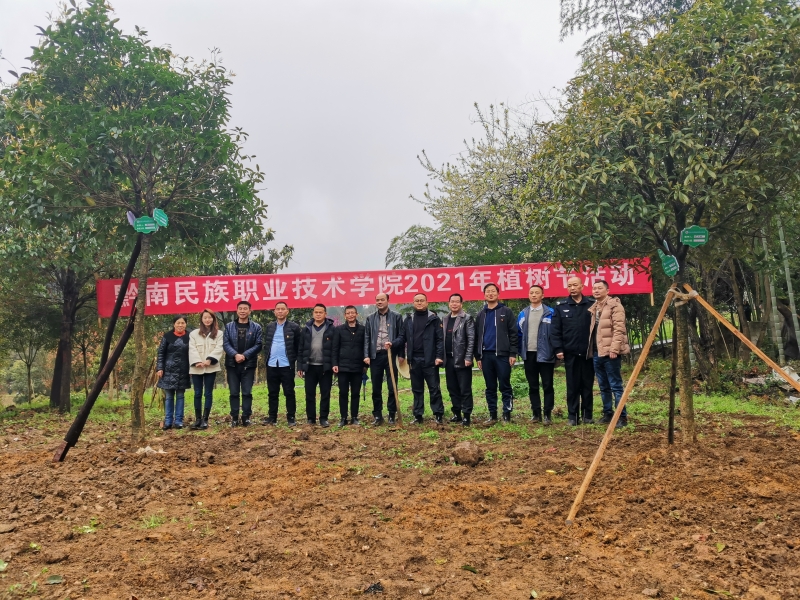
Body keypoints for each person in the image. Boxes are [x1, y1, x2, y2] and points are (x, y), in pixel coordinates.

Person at [387, 293, 444, 424]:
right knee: (417, 389)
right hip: (414, 360)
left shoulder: (434, 319)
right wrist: (392, 343)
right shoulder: (409, 320)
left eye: (422, 300)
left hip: (430, 359)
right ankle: (418, 415)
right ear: (413, 303)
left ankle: (438, 414)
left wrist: (439, 356)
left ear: (427, 303)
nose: (419, 303)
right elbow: (402, 337)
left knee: (434, 388)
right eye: (417, 301)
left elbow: (440, 340)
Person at [550, 275, 596, 426]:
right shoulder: (561, 306)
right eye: (569, 286)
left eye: (575, 285)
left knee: (587, 384)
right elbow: (555, 330)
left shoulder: (592, 304)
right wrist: (558, 349)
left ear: (582, 286)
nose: (572, 288)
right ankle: (572, 416)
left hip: (588, 352)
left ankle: (587, 415)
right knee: (572, 385)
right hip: (570, 352)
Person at [588, 280, 631, 427]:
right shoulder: (594, 307)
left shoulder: (615, 306)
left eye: (599, 288)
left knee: (616, 386)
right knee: (603, 386)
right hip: (597, 352)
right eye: (594, 288)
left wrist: (614, 349)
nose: (596, 290)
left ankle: (621, 417)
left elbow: (619, 329)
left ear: (607, 291)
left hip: (610, 353)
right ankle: (608, 414)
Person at [474, 283, 518, 423]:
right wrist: (478, 356)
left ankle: (507, 414)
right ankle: (492, 414)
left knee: (505, 385)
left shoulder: (506, 311)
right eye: (488, 291)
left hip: (502, 355)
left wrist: (513, 353)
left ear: (498, 294)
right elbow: (477, 337)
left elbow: (513, 333)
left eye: (493, 291)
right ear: (484, 295)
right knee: (490, 387)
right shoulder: (481, 314)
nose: (490, 294)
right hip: (486, 356)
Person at [363, 292, 405, 425]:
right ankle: (377, 415)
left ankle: (392, 414)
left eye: (382, 300)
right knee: (376, 387)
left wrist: (400, 353)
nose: (379, 302)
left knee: (392, 386)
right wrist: (366, 355)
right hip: (375, 356)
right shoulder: (370, 318)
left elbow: (401, 336)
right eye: (377, 300)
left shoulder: (396, 317)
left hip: (391, 355)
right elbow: (367, 338)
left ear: (388, 301)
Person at [518, 285, 556, 424]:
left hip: (546, 353)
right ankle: (536, 413)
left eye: (537, 293)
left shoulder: (550, 312)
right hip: (529, 354)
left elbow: (556, 333)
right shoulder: (523, 313)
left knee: (547, 384)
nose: (534, 295)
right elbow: (518, 334)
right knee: (533, 385)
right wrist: (520, 350)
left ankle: (547, 414)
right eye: (531, 293)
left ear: (542, 295)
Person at [222, 301, 263, 427]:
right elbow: (226, 343)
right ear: (237, 310)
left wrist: (244, 355)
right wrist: (235, 355)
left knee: (247, 392)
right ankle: (234, 417)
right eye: (240, 308)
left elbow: (258, 344)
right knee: (234, 392)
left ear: (250, 311)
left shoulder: (256, 327)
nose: (242, 311)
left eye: (245, 309)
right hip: (232, 364)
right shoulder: (229, 326)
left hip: (248, 364)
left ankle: (246, 417)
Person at [261, 301, 302, 427]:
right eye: (277, 309)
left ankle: (291, 417)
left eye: (282, 309)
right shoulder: (270, 327)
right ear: (274, 312)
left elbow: (298, 347)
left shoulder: (294, 327)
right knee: (272, 392)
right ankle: (272, 417)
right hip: (272, 364)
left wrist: (296, 362)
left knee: (289, 392)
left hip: (286, 365)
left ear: (287, 311)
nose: (280, 311)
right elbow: (266, 344)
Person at [297, 303, 336, 427]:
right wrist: (300, 366)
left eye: (320, 312)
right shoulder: (306, 328)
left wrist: (334, 364)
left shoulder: (331, 329)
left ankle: (323, 418)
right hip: (310, 366)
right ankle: (311, 418)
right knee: (309, 393)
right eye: (316, 312)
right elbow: (300, 349)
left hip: (325, 367)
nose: (318, 314)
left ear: (325, 314)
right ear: (313, 313)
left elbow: (334, 349)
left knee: (325, 393)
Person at [442, 293, 475, 426]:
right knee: (452, 388)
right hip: (448, 359)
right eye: (452, 301)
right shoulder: (445, 318)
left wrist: (468, 356)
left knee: (465, 388)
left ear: (461, 304)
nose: (454, 304)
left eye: (457, 302)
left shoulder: (467, 318)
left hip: (462, 359)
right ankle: (457, 413)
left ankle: (466, 415)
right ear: (448, 303)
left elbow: (471, 339)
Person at [188, 309, 225, 430]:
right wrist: (197, 361)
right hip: (197, 368)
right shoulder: (194, 334)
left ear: (213, 319)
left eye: (210, 317)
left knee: (208, 393)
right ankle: (198, 419)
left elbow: (219, 348)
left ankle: (205, 419)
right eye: (205, 318)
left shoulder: (219, 334)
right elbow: (192, 348)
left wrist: (210, 359)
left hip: (211, 367)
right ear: (202, 319)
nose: (207, 320)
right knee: (197, 393)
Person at [332, 305, 367, 427]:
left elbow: (365, 347)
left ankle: (354, 417)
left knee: (355, 393)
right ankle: (343, 417)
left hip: (358, 367)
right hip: (343, 367)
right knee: (343, 393)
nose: (350, 315)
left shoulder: (363, 329)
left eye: (353, 313)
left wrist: (365, 365)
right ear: (345, 315)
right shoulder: (339, 329)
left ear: (356, 314)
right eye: (348, 313)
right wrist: (335, 363)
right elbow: (335, 348)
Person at [156, 315, 191, 430]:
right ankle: (168, 421)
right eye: (178, 323)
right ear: (174, 324)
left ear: (186, 324)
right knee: (169, 396)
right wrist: (159, 368)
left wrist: (192, 368)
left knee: (180, 396)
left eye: (183, 323)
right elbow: (161, 353)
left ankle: (179, 421)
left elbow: (193, 353)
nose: (180, 325)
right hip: (168, 370)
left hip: (183, 370)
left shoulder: (189, 337)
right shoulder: (168, 336)